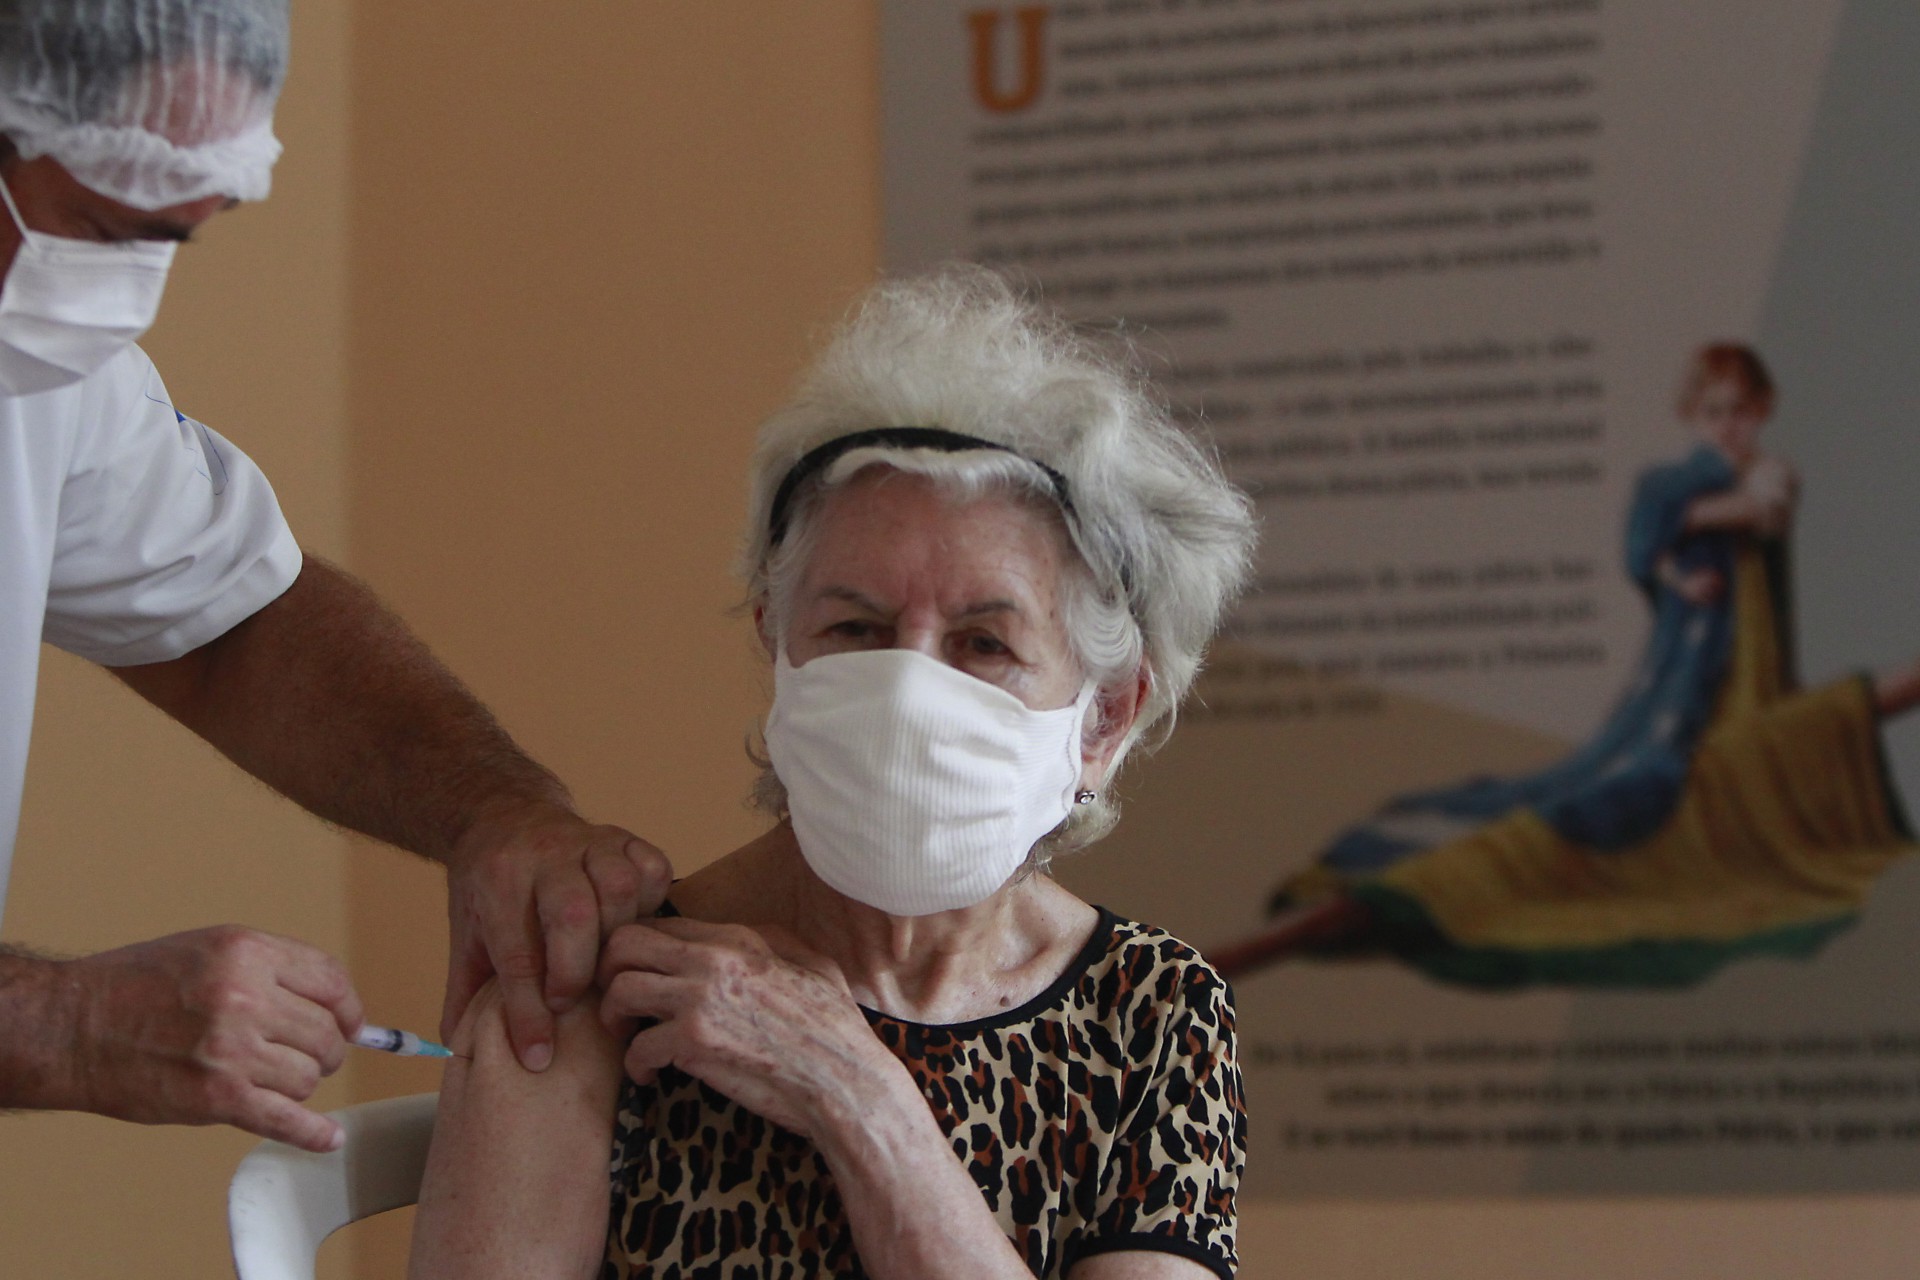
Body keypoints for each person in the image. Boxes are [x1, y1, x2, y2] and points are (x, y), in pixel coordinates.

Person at [406, 269, 1257, 1278]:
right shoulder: (596, 982)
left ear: (1104, 717)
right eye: (856, 627)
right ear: (777, 643)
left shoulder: (1150, 1013)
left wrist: (856, 1089)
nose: (906, 691)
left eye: (984, 642)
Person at [0, 0, 668, 1155]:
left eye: (176, 239)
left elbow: (231, 629)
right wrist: (65, 1023)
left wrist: (494, 809)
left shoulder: (48, 377)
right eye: (102, 231)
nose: (120, 295)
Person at [1217, 343, 1920, 989]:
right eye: (1715, 411)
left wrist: (1692, 517)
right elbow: (1650, 546)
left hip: (1744, 673)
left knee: (1662, 789)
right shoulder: (1677, 481)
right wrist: (1680, 554)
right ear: (1693, 415)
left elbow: (1760, 513)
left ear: (1761, 410)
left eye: (1740, 410)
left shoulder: (1757, 476)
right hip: (1680, 669)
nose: (1729, 424)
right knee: (1598, 784)